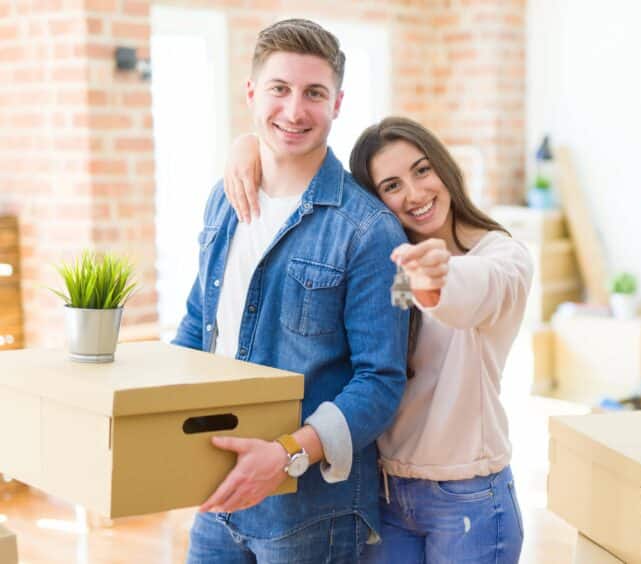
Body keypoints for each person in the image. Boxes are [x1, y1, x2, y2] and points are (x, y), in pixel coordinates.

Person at [225, 116, 532, 563]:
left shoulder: (502, 257)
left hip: (467, 499)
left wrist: (437, 281)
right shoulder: (390, 268)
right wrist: (248, 145)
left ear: (444, 169)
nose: (414, 193)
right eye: (392, 185)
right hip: (386, 494)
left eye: (422, 170)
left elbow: (470, 293)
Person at [172, 19, 409, 563]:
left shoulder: (368, 231)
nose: (295, 110)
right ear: (252, 93)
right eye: (279, 89)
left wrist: (284, 455)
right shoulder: (223, 200)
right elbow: (196, 327)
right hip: (217, 495)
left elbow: (380, 381)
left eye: (314, 93)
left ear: (338, 103)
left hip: (311, 512)